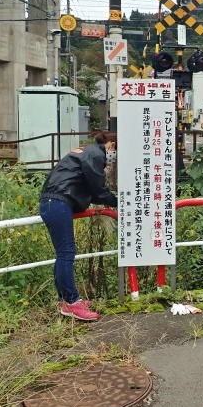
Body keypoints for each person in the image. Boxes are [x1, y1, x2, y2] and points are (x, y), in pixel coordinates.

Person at [39, 131, 118, 321]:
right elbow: (97, 188)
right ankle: (72, 302)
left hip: (53, 202)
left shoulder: (85, 151)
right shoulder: (95, 154)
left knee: (63, 254)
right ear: (112, 145)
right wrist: (119, 201)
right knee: (66, 253)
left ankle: (64, 299)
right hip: (59, 203)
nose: (113, 160)